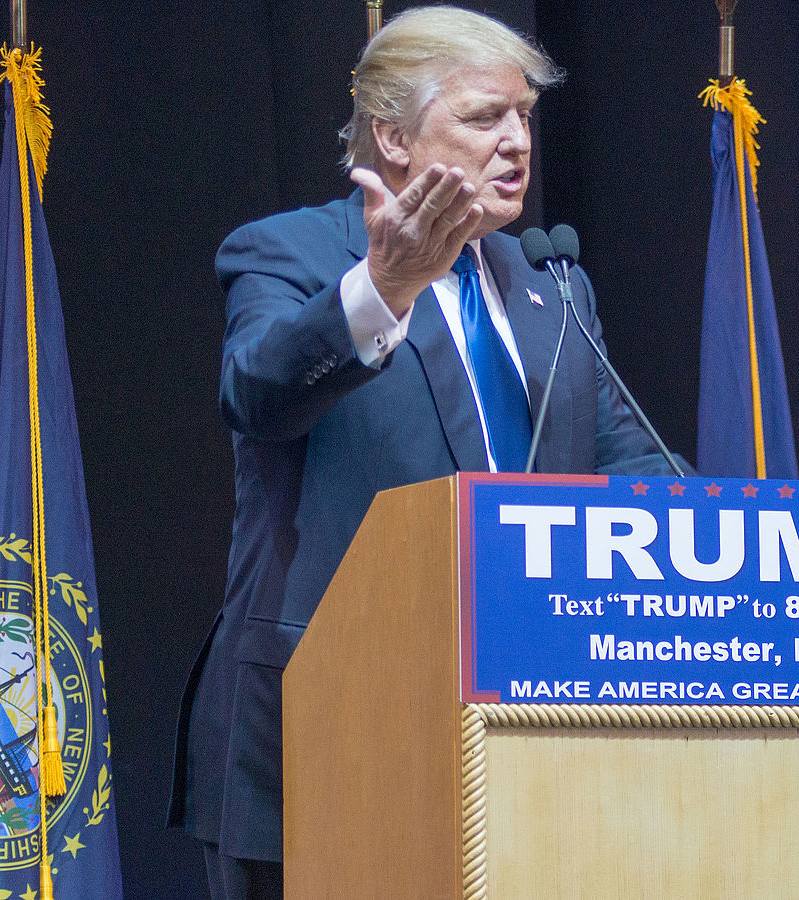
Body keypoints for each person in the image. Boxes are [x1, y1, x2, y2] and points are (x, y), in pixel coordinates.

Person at [168, 8, 684, 897]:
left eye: (525, 116)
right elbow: (257, 394)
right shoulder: (291, 251)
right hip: (325, 732)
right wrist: (383, 290)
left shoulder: (553, 286)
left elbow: (634, 475)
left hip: (525, 732)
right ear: (393, 137)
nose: (517, 142)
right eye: (486, 118)